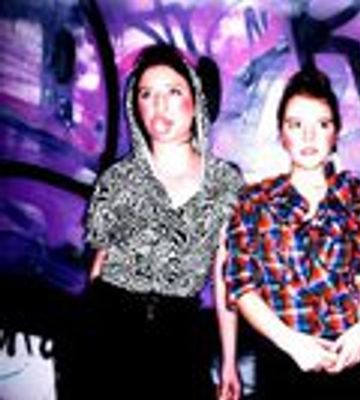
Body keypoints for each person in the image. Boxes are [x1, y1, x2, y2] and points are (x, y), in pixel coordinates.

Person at [84, 44, 242, 400]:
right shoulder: (118, 179)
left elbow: (224, 277)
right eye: (147, 94)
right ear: (135, 106)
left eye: (173, 91)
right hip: (109, 331)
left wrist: (229, 362)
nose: (159, 104)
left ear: (196, 99)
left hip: (180, 336)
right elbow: (98, 267)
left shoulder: (225, 182)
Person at [224, 67, 360, 399]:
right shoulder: (253, 203)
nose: (309, 137)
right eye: (296, 125)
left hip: (353, 355)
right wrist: (291, 343)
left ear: (336, 133)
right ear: (281, 134)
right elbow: (241, 287)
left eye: (322, 124)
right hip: (285, 360)